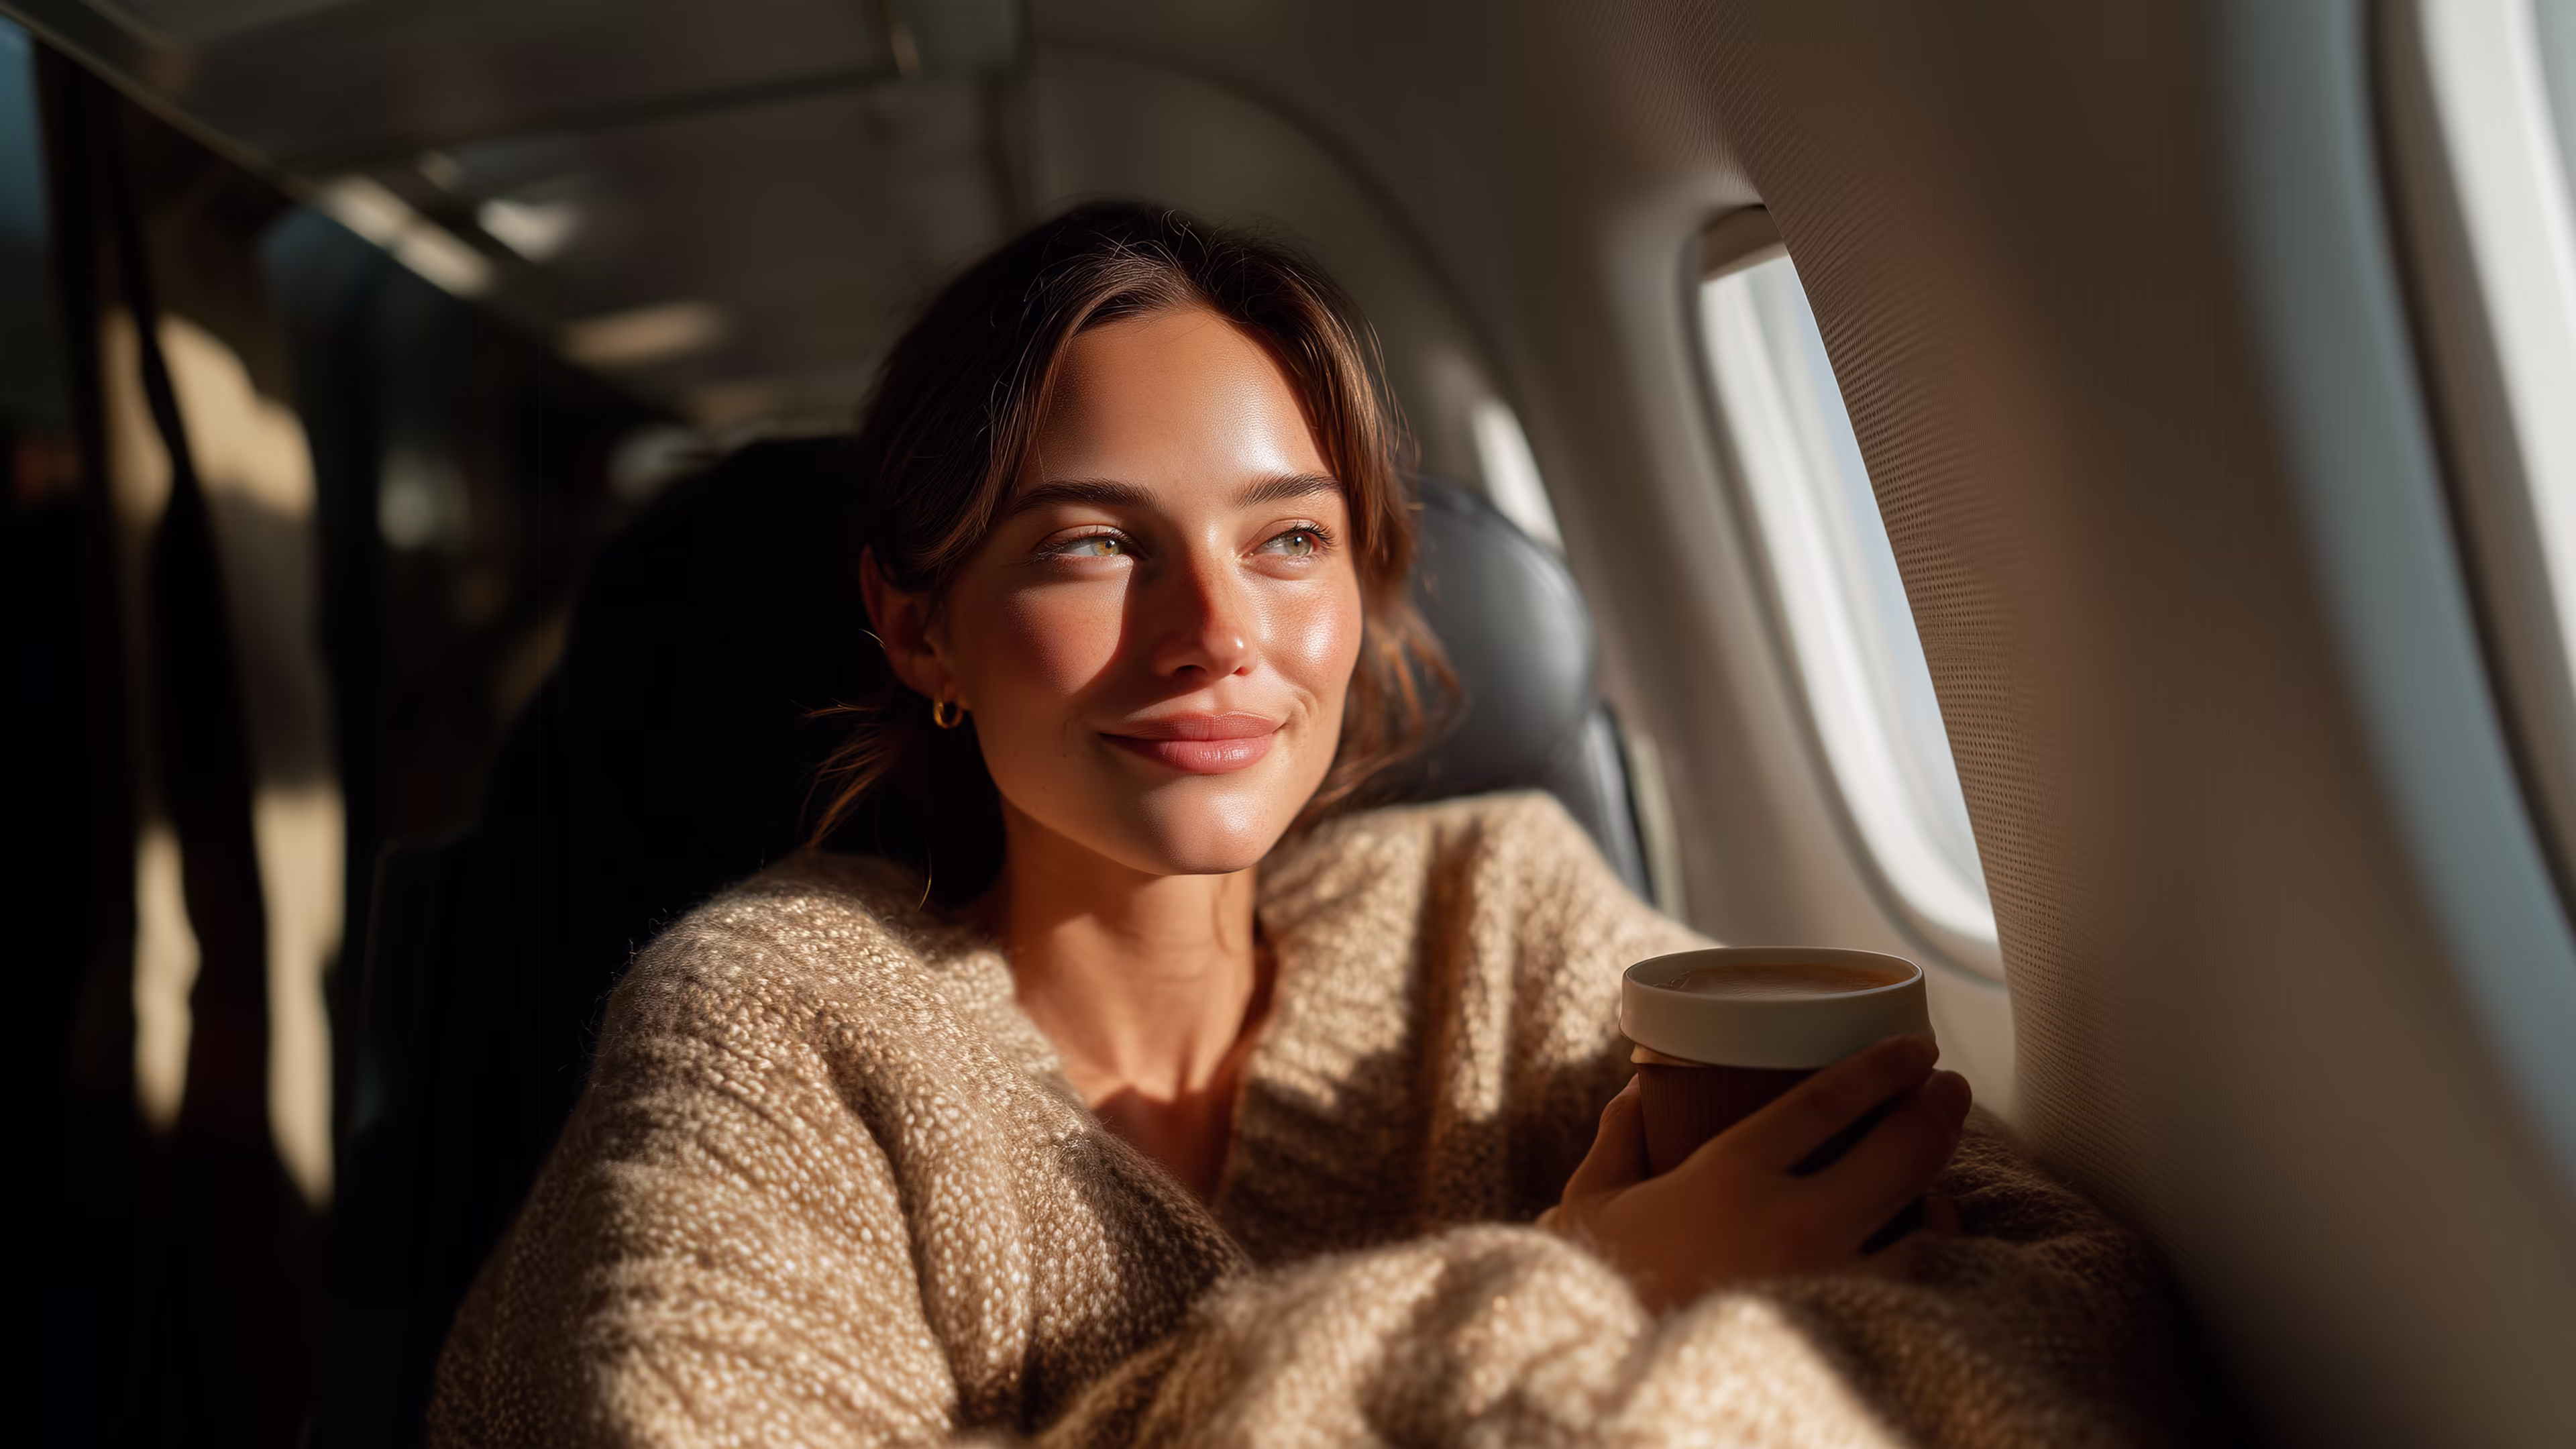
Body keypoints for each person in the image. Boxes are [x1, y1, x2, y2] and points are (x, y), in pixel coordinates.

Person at [431, 204, 2217, 1446]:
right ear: (919, 627)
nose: (1218, 635)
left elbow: (2068, 1329)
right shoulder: (780, 1024)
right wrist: (1575, 1296)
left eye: (1288, 540)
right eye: (1090, 543)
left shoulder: (1497, 917)